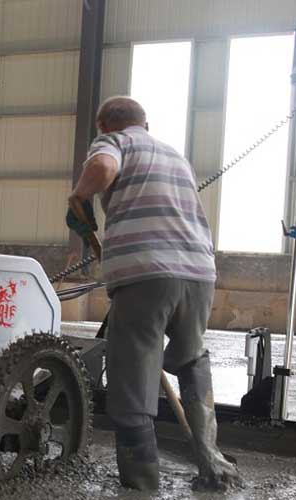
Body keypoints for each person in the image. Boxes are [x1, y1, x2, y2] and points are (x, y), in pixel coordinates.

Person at [66, 96, 241, 491]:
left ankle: (141, 484)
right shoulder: (176, 156)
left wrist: (79, 196)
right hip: (199, 274)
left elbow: (102, 167)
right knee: (192, 361)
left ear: (103, 126)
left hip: (146, 276)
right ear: (146, 124)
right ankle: (212, 464)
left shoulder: (115, 142)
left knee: (132, 377)